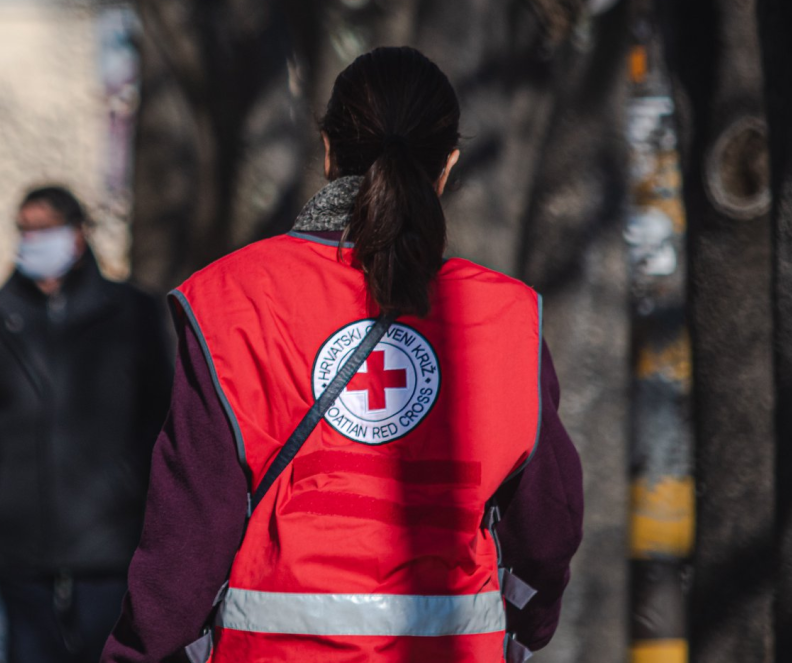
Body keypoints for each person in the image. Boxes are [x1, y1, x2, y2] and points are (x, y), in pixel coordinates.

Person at [102, 47, 584, 663]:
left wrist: (135, 653)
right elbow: (548, 523)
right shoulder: (505, 317)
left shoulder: (232, 299)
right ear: (448, 167)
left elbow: (189, 529)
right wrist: (527, 623)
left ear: (328, 151)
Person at [0, 186, 172, 663]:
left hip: (110, 540)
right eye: (24, 230)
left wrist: (166, 525)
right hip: (22, 541)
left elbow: (163, 424)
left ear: (78, 236)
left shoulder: (131, 313)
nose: (32, 241)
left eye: (44, 229)